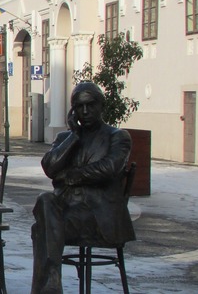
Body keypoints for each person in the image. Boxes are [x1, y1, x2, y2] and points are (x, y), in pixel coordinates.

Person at [31, 82, 136, 294]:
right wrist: (74, 137)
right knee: (45, 200)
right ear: (73, 110)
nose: (85, 111)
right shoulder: (66, 139)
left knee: (42, 228)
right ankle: (52, 278)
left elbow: (110, 168)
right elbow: (49, 167)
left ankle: (49, 284)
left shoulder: (117, 136)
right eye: (79, 107)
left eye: (90, 105)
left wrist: (71, 176)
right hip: (68, 216)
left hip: (99, 218)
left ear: (101, 106)